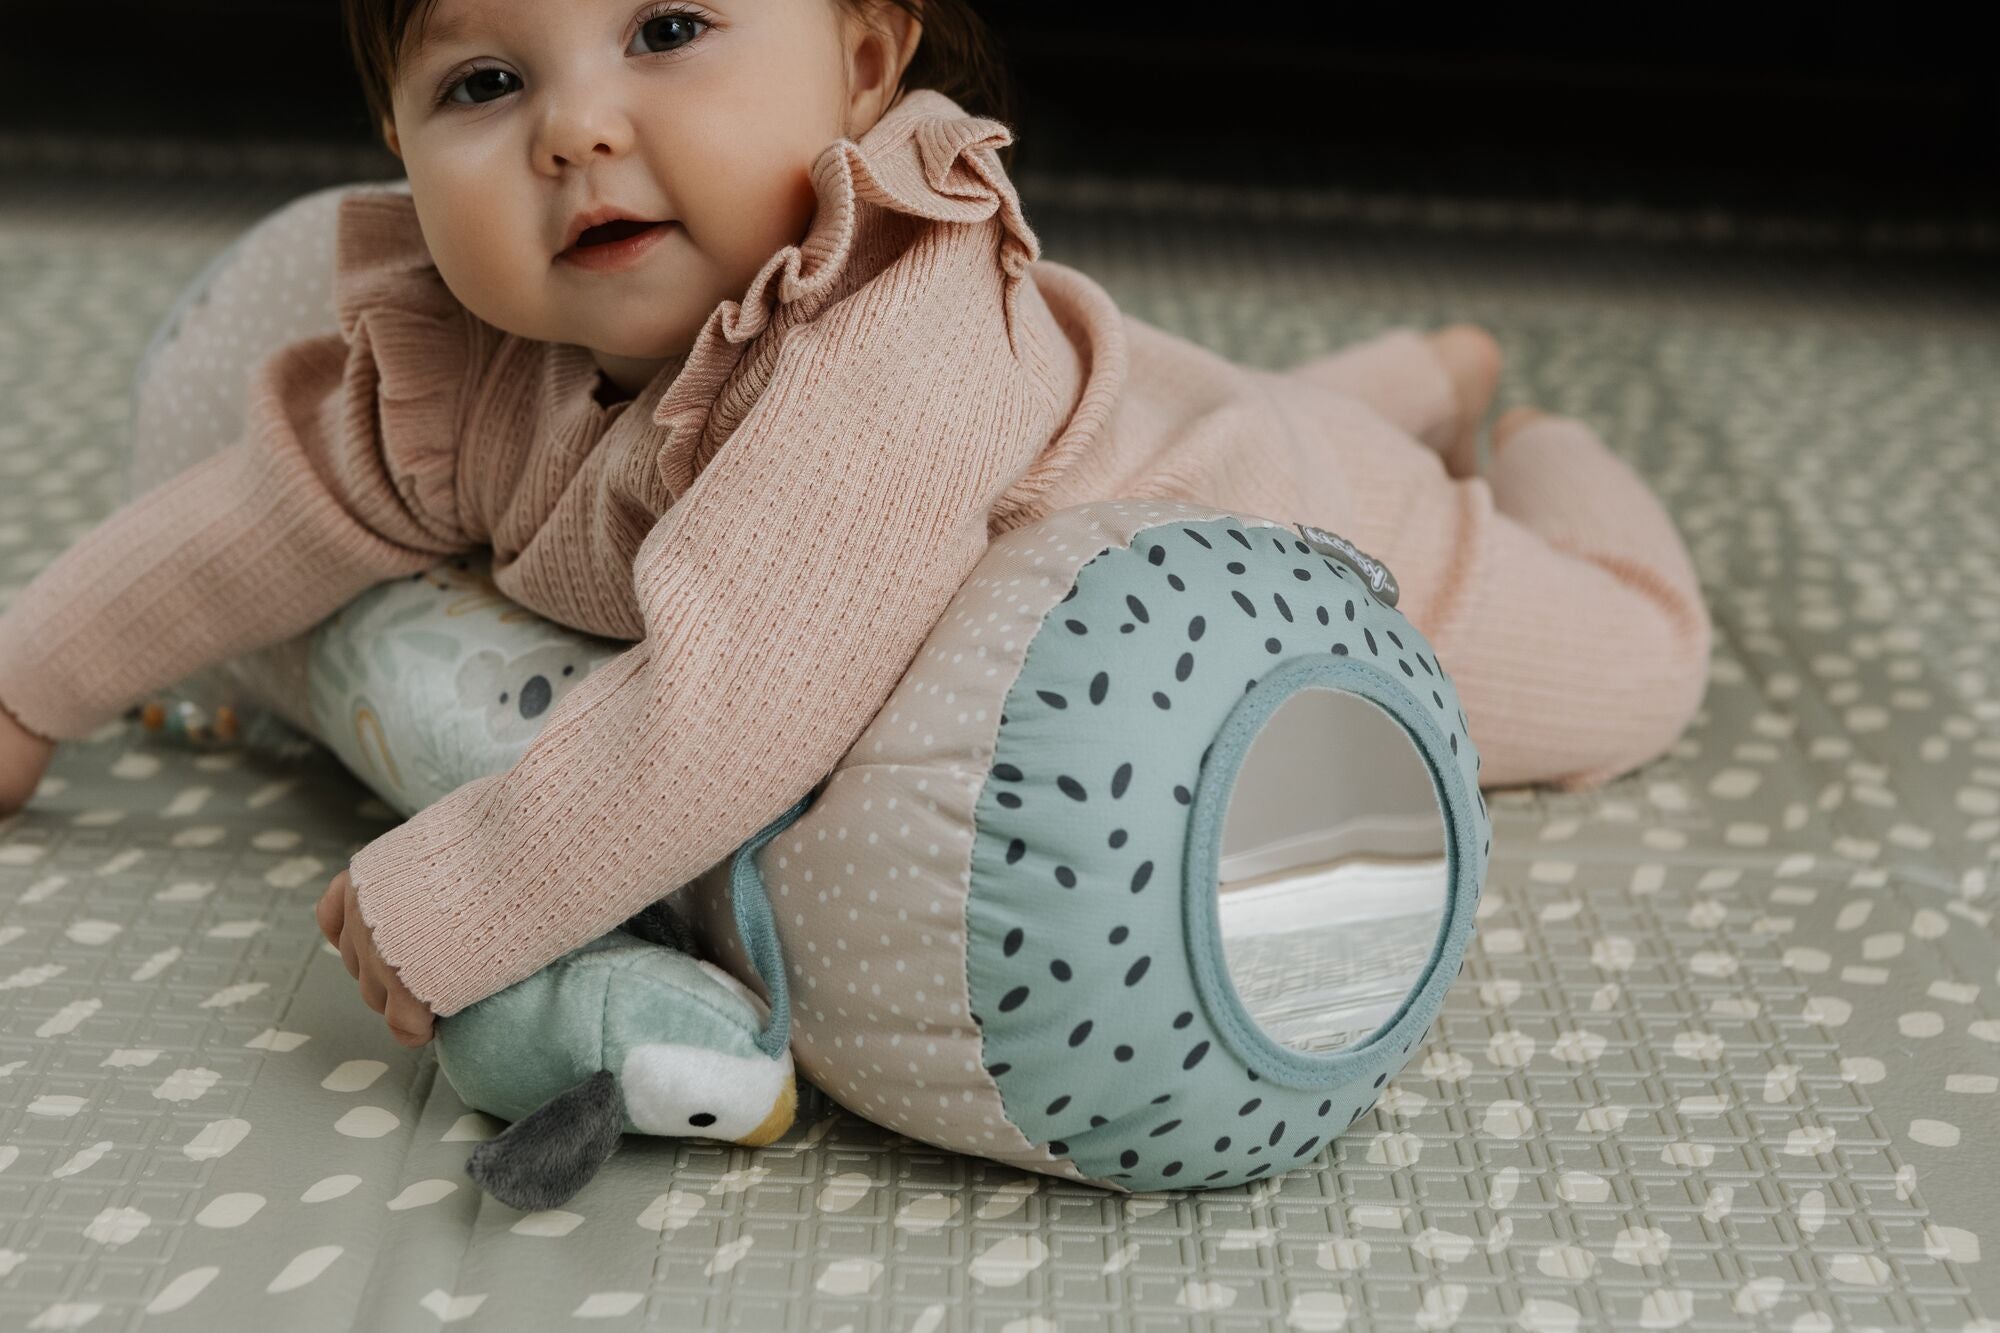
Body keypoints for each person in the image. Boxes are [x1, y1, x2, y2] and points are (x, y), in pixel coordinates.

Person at [0, 0, 1711, 1049]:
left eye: (668, 30)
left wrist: (469, 891)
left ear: (867, 59)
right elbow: (262, 512)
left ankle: (1522, 420)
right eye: (485, 81)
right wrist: (28, 682)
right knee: (1201, 381)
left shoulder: (882, 330)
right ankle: (1411, 364)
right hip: (1135, 408)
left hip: (1291, 525)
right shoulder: (467, 358)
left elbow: (744, 687)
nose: (577, 126)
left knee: (1640, 661)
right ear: (394, 135)